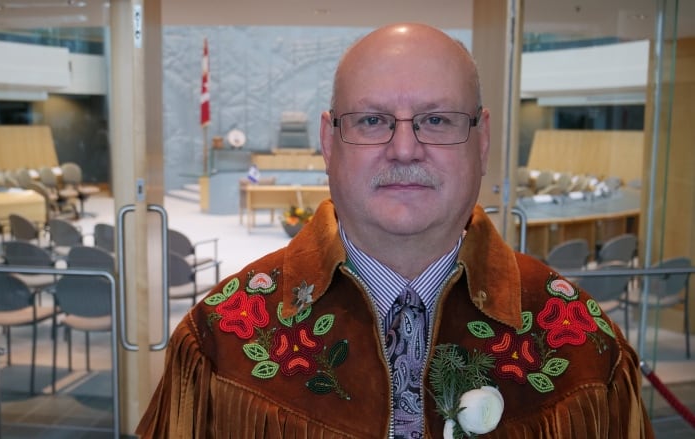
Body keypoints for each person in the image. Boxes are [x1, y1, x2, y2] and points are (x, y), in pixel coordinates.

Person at [137, 23, 653, 438]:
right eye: (370, 121)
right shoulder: (222, 340)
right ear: (329, 141)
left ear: (482, 140)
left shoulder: (581, 344)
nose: (404, 149)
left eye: (437, 120)